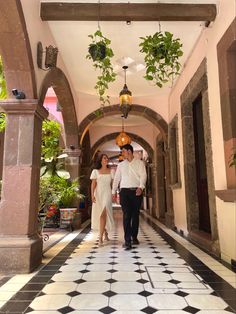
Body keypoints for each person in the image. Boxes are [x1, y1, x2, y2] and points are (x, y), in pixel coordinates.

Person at [112, 144, 147, 250]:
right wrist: (113, 191)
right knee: (127, 215)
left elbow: (143, 176)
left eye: (123, 151)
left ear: (129, 151)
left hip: (136, 191)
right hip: (124, 192)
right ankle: (127, 241)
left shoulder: (140, 163)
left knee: (135, 215)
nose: (122, 153)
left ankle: (134, 237)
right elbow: (117, 178)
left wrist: (141, 187)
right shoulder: (121, 165)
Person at [90, 153, 114, 246]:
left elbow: (112, 184)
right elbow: (93, 185)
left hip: (107, 193)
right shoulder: (95, 171)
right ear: (101, 160)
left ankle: (100, 237)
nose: (106, 159)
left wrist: (113, 193)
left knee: (103, 214)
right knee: (100, 214)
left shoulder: (111, 171)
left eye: (107, 158)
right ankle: (105, 232)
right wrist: (92, 195)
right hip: (98, 194)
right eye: (105, 158)